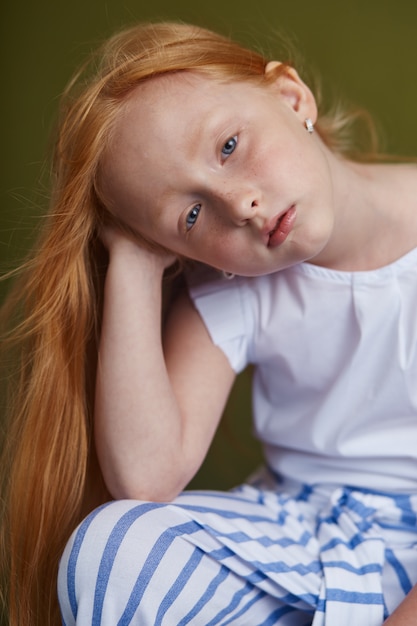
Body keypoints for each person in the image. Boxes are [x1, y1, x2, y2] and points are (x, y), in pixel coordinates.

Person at [1, 20, 417, 626]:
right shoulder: (237, 288)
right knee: (115, 547)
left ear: (290, 98)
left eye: (228, 147)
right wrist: (136, 258)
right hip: (309, 534)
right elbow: (147, 473)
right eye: (193, 215)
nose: (238, 205)